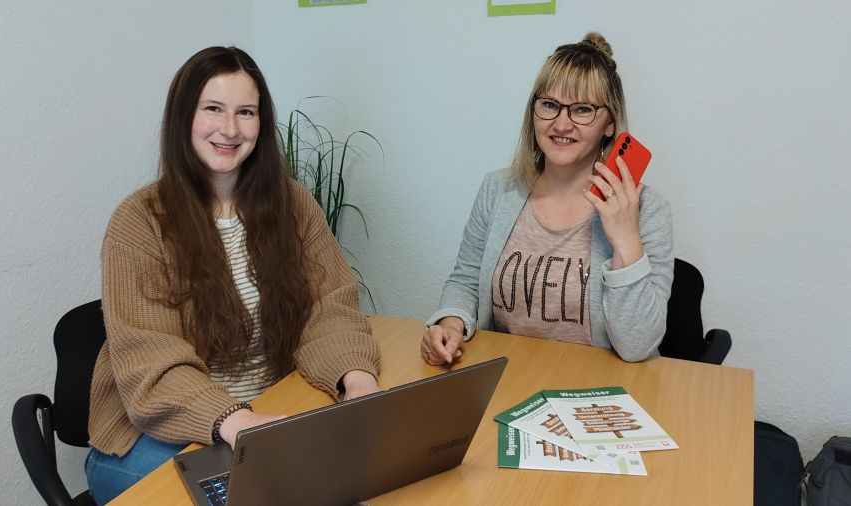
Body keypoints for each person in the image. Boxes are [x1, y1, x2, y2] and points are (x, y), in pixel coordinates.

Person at [84, 46, 381, 504]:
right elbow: (152, 362)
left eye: (246, 112)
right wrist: (237, 421)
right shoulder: (139, 221)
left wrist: (358, 382)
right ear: (184, 117)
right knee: (282, 493)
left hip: (261, 416)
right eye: (213, 109)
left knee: (361, 481)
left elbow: (329, 307)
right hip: (152, 437)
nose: (230, 128)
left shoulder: (294, 204)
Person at [421, 33, 673, 366]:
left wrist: (626, 239)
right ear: (533, 111)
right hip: (509, 378)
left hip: (600, 390)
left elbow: (638, 345)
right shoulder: (497, 190)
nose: (561, 123)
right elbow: (466, 278)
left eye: (582, 109)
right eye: (550, 105)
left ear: (609, 124)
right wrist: (450, 323)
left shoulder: (646, 210)